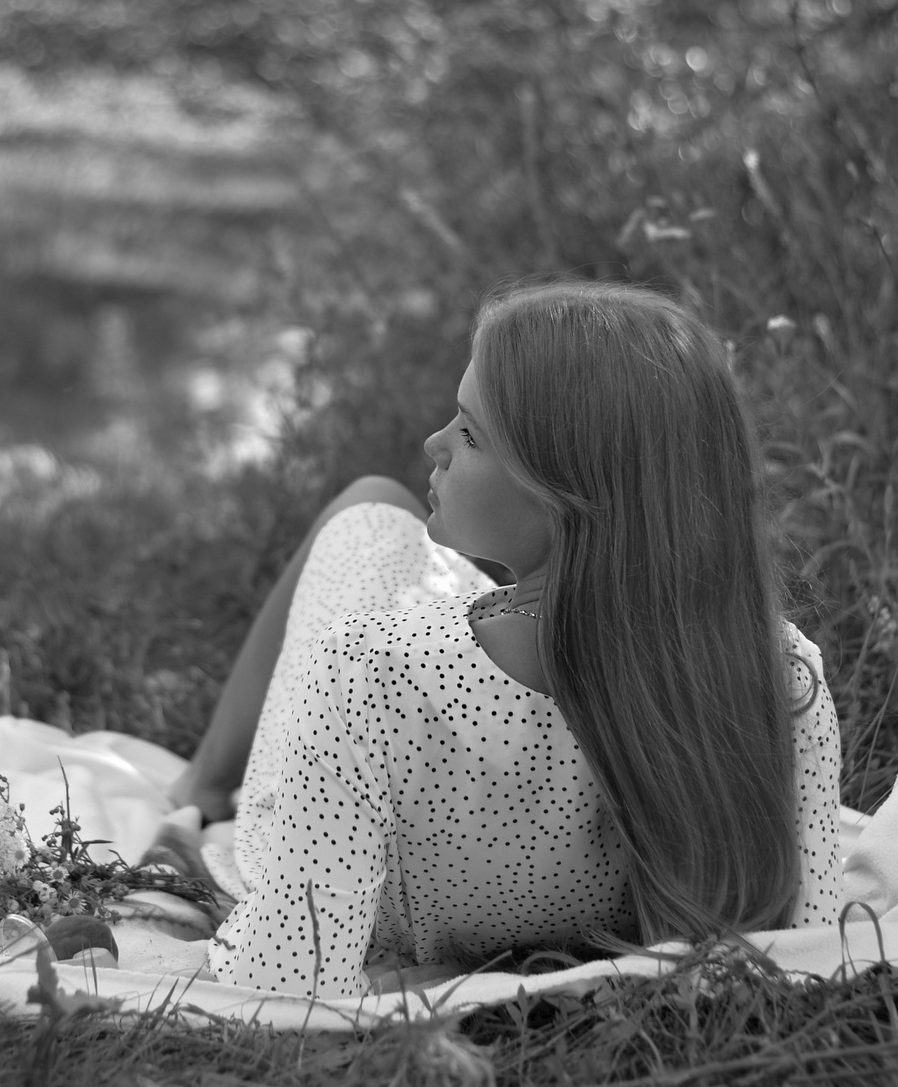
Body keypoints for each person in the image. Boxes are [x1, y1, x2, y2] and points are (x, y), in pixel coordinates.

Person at [166, 278, 843, 996]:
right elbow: (813, 947)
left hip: (360, 810)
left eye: (469, 432)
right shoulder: (777, 677)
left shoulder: (364, 668)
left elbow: (280, 977)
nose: (433, 443)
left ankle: (201, 785)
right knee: (384, 509)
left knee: (368, 504)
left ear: (563, 493)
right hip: (526, 668)